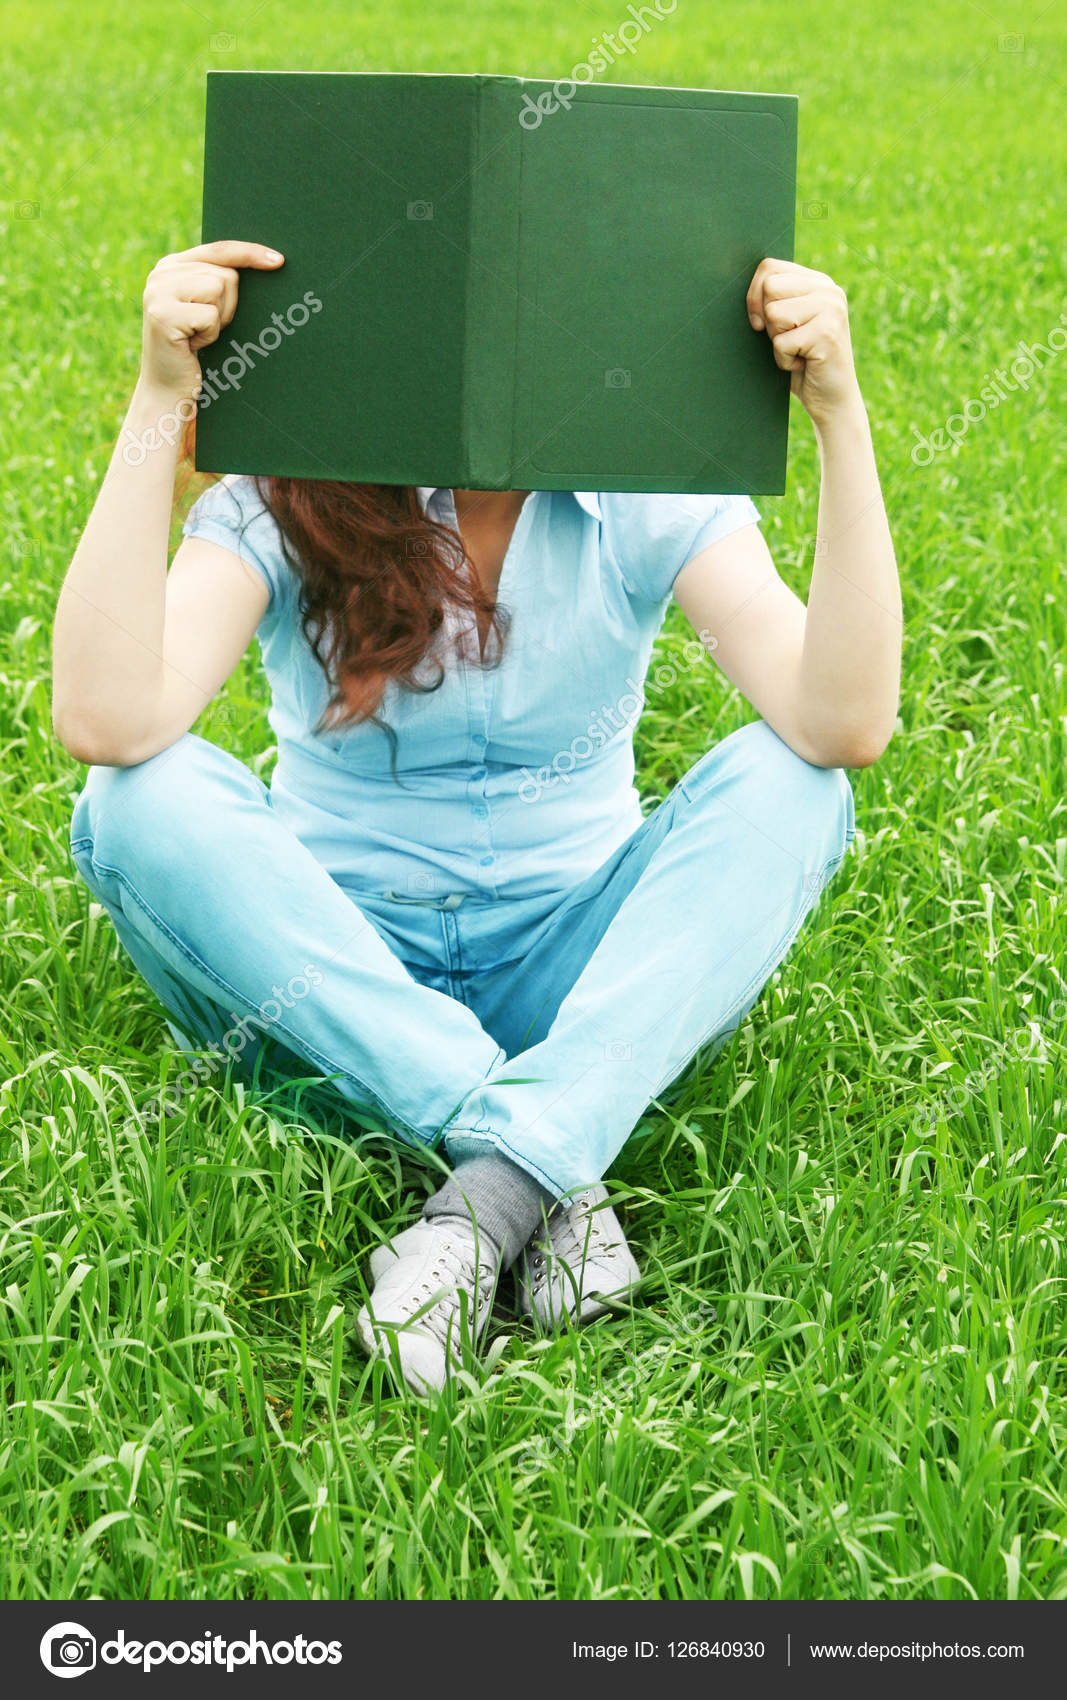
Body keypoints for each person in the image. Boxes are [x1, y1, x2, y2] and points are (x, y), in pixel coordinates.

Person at [52, 239, 901, 1396]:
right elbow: (106, 716)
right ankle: (542, 1154)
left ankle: (480, 1200)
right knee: (135, 798)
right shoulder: (293, 488)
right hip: (338, 977)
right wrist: (159, 398)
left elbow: (838, 720)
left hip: (573, 961)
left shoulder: (641, 489)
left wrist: (838, 417)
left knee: (794, 783)